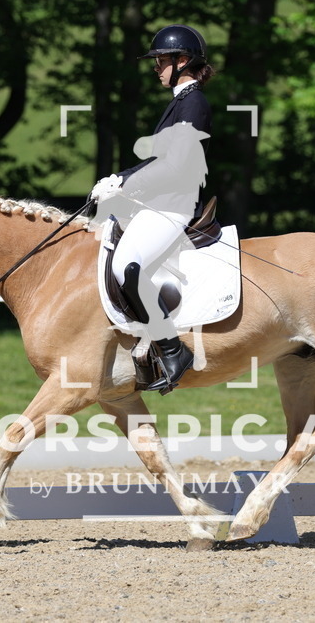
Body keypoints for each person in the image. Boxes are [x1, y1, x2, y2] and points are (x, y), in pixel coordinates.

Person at [90, 24, 216, 393]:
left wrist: (124, 182)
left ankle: (172, 349)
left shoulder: (193, 103)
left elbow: (175, 165)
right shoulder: (180, 101)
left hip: (174, 208)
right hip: (158, 204)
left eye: (161, 60)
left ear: (183, 61)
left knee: (127, 266)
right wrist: (121, 179)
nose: (156, 67)